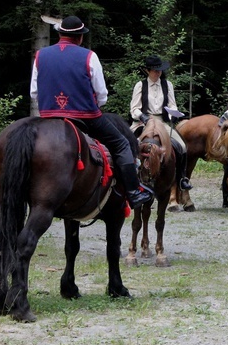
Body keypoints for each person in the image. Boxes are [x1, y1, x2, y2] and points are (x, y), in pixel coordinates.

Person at [30, 15, 153, 208]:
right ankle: (133, 192)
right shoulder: (89, 56)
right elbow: (101, 94)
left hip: (49, 117)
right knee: (121, 144)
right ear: (79, 37)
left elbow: (34, 92)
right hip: (85, 118)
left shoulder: (40, 55)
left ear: (60, 34)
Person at [129, 55, 192, 191]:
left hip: (162, 121)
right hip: (143, 122)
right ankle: (129, 177)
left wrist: (173, 114)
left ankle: (181, 178)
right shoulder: (140, 85)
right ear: (147, 70)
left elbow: (172, 105)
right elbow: (134, 109)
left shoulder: (167, 84)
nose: (158, 73)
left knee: (181, 146)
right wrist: (144, 117)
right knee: (128, 144)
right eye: (155, 70)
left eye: (160, 70)